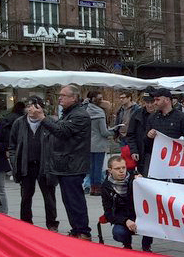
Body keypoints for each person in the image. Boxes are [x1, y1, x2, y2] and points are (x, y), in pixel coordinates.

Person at [39, 84, 93, 240]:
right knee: (68, 200)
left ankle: (83, 230)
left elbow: (62, 132)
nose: (60, 98)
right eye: (59, 95)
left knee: (74, 199)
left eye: (63, 95)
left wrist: (43, 118)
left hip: (73, 164)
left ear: (74, 98)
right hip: (66, 164)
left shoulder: (80, 115)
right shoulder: (69, 113)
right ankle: (76, 229)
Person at [9, 97, 59, 231]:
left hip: (45, 165)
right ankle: (25, 223)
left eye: (34, 106)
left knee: (49, 197)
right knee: (25, 196)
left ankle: (52, 224)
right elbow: (12, 145)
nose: (31, 109)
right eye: (28, 106)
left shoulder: (50, 122)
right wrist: (15, 162)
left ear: (42, 108)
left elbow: (59, 142)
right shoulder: (19, 123)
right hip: (26, 164)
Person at [101, 155, 154, 251]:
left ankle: (146, 246)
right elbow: (108, 213)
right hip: (122, 218)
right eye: (117, 168)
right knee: (118, 233)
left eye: (123, 168)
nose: (121, 171)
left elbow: (150, 197)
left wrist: (143, 182)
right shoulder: (106, 187)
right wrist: (125, 221)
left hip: (140, 215)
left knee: (151, 223)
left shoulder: (135, 179)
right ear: (110, 170)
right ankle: (127, 244)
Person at [145, 88, 184, 184]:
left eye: (157, 100)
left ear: (167, 100)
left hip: (176, 164)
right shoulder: (152, 117)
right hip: (158, 163)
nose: (155, 103)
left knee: (177, 191)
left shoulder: (182, 118)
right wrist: (149, 136)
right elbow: (146, 144)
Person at [86, 90, 115, 196]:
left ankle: (91, 187)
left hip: (89, 143)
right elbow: (104, 132)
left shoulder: (86, 110)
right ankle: (97, 188)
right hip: (99, 143)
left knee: (92, 167)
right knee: (98, 167)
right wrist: (113, 131)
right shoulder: (100, 113)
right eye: (100, 98)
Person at [125, 88, 158, 176]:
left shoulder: (161, 114)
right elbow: (130, 134)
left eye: (152, 102)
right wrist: (134, 150)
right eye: (147, 103)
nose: (150, 105)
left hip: (157, 152)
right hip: (141, 153)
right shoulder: (137, 114)